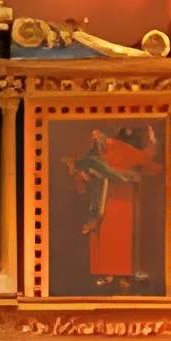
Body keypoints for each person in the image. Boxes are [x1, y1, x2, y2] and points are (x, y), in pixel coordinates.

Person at [70, 124, 156, 291]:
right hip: (107, 198)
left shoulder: (120, 148)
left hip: (122, 199)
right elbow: (87, 169)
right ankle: (105, 272)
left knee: (119, 237)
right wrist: (84, 175)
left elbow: (144, 159)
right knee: (103, 235)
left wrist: (152, 142)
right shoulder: (101, 151)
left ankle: (121, 273)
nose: (97, 140)